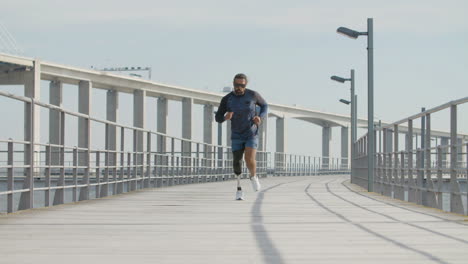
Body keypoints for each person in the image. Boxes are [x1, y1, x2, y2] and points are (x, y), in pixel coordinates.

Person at [215, 73, 268, 200]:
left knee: (249, 158)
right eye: (236, 85)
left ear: (245, 85)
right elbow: (217, 117)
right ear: (233, 84)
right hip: (236, 135)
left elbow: (265, 106)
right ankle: (239, 189)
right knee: (237, 163)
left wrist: (259, 117)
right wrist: (224, 117)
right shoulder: (227, 99)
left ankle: (253, 176)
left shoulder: (253, 95)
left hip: (251, 133)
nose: (239, 87)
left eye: (241, 85)